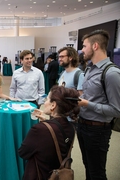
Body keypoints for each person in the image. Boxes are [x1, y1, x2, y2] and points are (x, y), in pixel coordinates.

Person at [77, 29, 120, 180]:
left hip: (98, 131)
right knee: (88, 165)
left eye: (84, 46)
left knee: (97, 172)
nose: (82, 50)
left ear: (95, 46)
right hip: (82, 126)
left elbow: (116, 110)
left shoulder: (111, 73)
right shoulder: (89, 69)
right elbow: (89, 95)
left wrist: (87, 104)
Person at [18, 86, 80, 180]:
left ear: (53, 105)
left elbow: (23, 153)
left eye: (47, 99)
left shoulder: (39, 130)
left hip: (39, 175)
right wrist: (47, 121)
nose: (44, 102)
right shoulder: (71, 127)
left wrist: (45, 124)